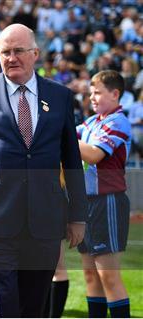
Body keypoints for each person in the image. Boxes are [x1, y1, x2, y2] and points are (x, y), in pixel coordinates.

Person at [0, 23, 88, 317]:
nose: (11, 58)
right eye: (5, 52)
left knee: (33, 307)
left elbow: (72, 160)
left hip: (45, 222)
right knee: (5, 306)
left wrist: (78, 215)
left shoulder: (60, 96)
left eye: (18, 51)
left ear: (35, 53)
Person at [77, 70, 132, 318]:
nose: (93, 98)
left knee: (109, 278)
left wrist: (62, 132)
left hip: (107, 200)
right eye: (90, 93)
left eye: (98, 92)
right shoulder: (92, 122)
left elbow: (93, 155)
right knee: (90, 275)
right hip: (86, 202)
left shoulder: (118, 122)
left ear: (115, 93)